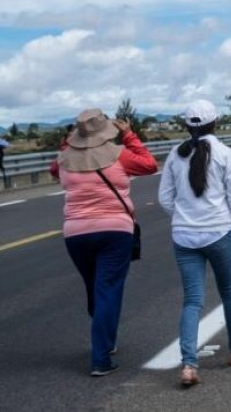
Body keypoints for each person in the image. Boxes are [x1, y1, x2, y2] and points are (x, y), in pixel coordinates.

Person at [158, 100, 231, 387]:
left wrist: (184, 217)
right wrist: (226, 220)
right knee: (229, 291)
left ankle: (188, 364)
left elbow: (165, 198)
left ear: (187, 126)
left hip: (185, 236)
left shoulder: (175, 155)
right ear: (216, 123)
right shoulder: (225, 153)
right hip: (218, 232)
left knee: (192, 299)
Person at [57, 109, 158, 376]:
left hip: (76, 234)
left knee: (95, 290)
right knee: (108, 290)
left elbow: (54, 171)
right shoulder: (118, 154)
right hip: (115, 232)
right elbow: (149, 164)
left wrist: (68, 143)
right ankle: (100, 357)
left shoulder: (64, 159)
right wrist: (128, 134)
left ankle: (105, 340)